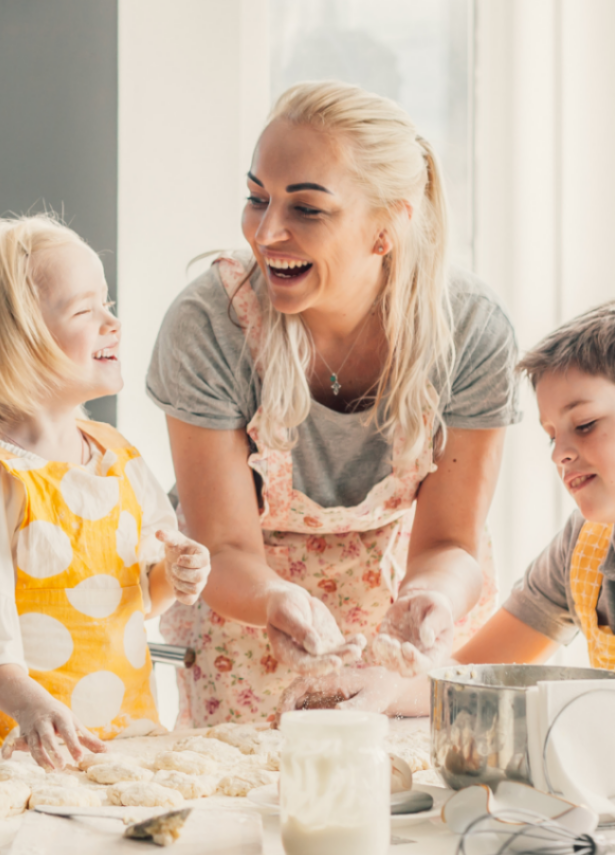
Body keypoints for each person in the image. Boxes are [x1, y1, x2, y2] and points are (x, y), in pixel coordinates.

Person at [147, 81, 521, 725]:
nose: (266, 233)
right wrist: (274, 602)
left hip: (399, 633)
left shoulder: (470, 329)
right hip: (248, 620)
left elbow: (452, 541)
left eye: (307, 209)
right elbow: (223, 545)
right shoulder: (210, 324)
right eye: (257, 198)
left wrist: (433, 595)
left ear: (387, 227)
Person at [289, 299, 615, 782]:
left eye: (585, 424)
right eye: (551, 435)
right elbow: (477, 674)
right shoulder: (584, 545)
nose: (560, 454)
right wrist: (383, 688)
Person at [0, 215, 210, 770]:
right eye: (85, 310)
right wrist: (33, 709)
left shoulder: (119, 457)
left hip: (121, 750)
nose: (112, 322)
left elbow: (135, 600)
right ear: (11, 344)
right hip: (13, 757)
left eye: (106, 302)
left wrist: (173, 576)